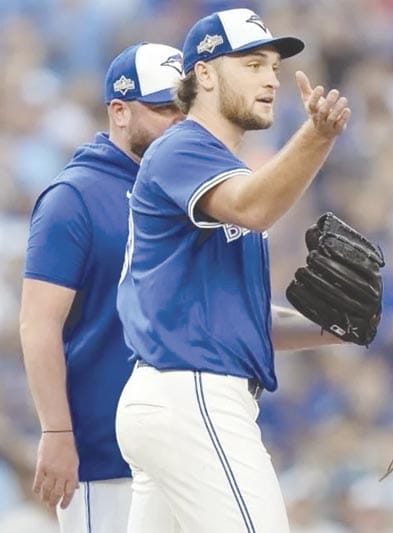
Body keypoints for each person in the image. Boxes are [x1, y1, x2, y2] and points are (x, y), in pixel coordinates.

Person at [114, 8, 353, 533]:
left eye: (272, 65)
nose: (270, 77)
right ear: (203, 74)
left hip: (173, 396)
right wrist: (316, 137)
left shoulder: (216, 167)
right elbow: (254, 208)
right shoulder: (183, 147)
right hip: (193, 395)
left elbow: (240, 318)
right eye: (250, 63)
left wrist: (328, 329)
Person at [19, 42, 184, 533]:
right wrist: (57, 431)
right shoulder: (74, 196)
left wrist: (333, 328)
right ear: (119, 110)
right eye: (161, 108)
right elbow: (37, 322)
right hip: (105, 456)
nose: (176, 120)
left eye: (183, 106)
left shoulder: (185, 193)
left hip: (182, 449)